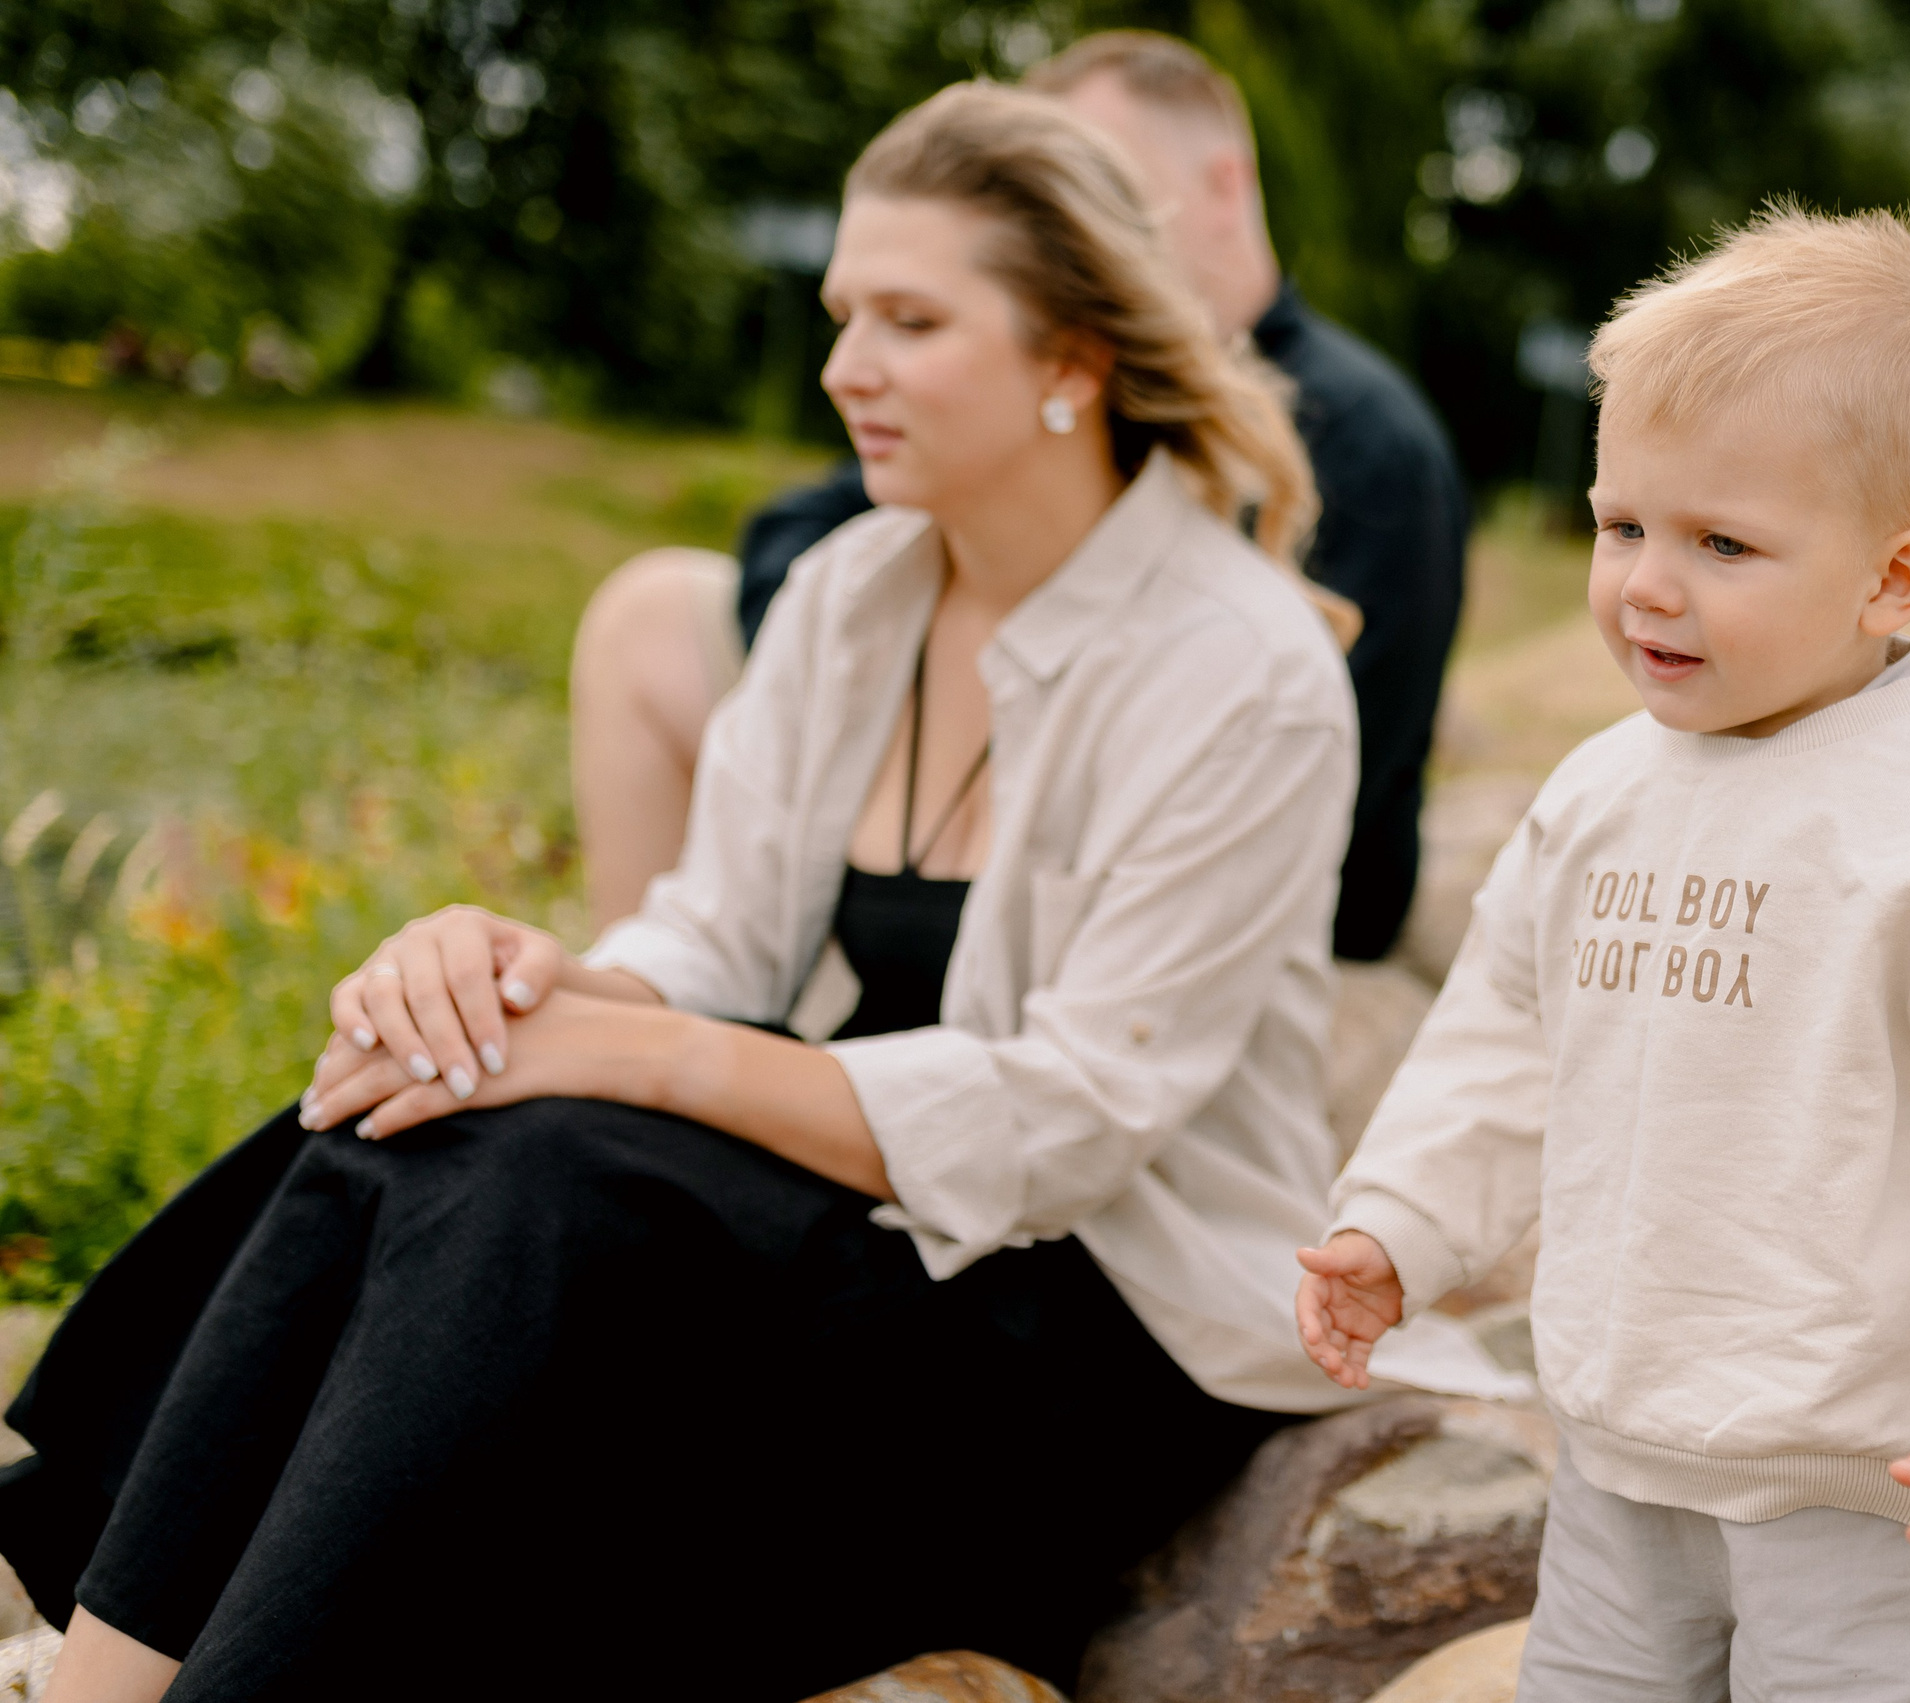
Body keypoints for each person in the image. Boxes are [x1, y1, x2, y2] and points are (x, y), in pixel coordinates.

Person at [0, 83, 1503, 1703]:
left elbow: (1077, 1113)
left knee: (539, 1153)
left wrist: (618, 1054)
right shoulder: (862, 585)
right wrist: (519, 978)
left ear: (1073, 357)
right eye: (844, 312)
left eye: (910, 320)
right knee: (421, 1096)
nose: (845, 367)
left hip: (1098, 1340)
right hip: (887, 1250)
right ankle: (107, 1679)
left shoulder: (1242, 663)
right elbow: (715, 934)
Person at [1294, 207, 1910, 1699]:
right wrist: (1402, 1219)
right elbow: (1504, 1039)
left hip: (1879, 1486)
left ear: (1896, 578)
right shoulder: (1600, 793)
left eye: (1722, 542)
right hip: (1619, 1456)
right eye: (1623, 524)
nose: (1649, 582)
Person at [573, 30, 1470, 964]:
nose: (1075, 211)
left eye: (1105, 177)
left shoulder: (1361, 436)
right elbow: (811, 526)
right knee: (654, 614)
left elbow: (1315, 782)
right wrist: (872, 683)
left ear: (1225, 186)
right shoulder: (929, 469)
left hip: (1243, 897)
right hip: (947, 801)